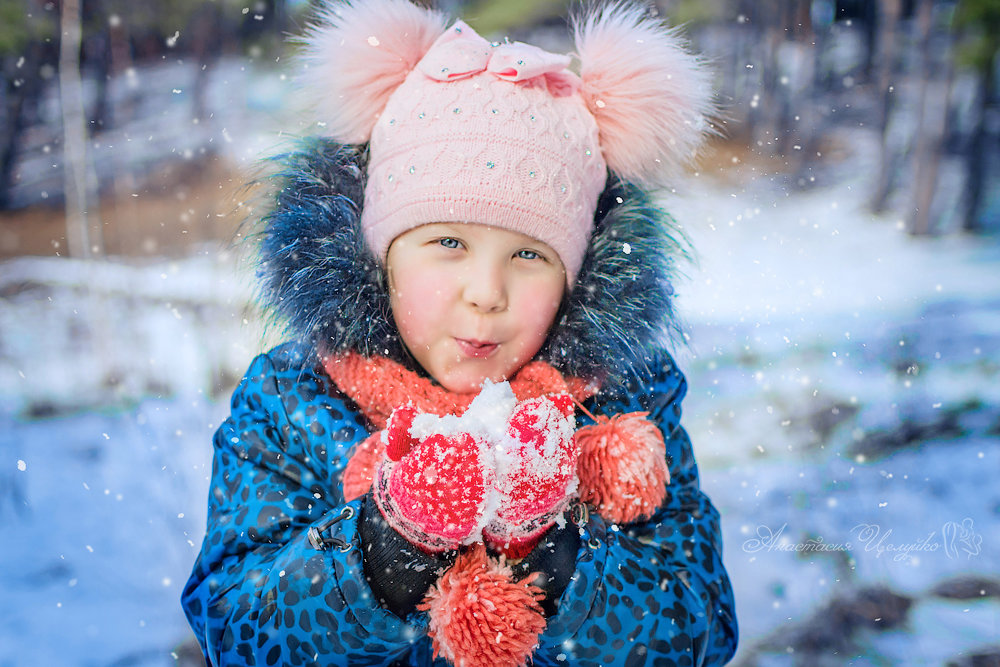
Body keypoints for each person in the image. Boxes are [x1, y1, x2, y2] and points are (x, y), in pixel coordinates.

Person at [181, 0, 738, 664]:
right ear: (381, 256)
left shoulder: (624, 401)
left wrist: (546, 551)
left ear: (576, 276)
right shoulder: (291, 403)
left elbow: (696, 626)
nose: (486, 292)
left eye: (530, 255)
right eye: (448, 242)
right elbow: (236, 625)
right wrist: (389, 543)